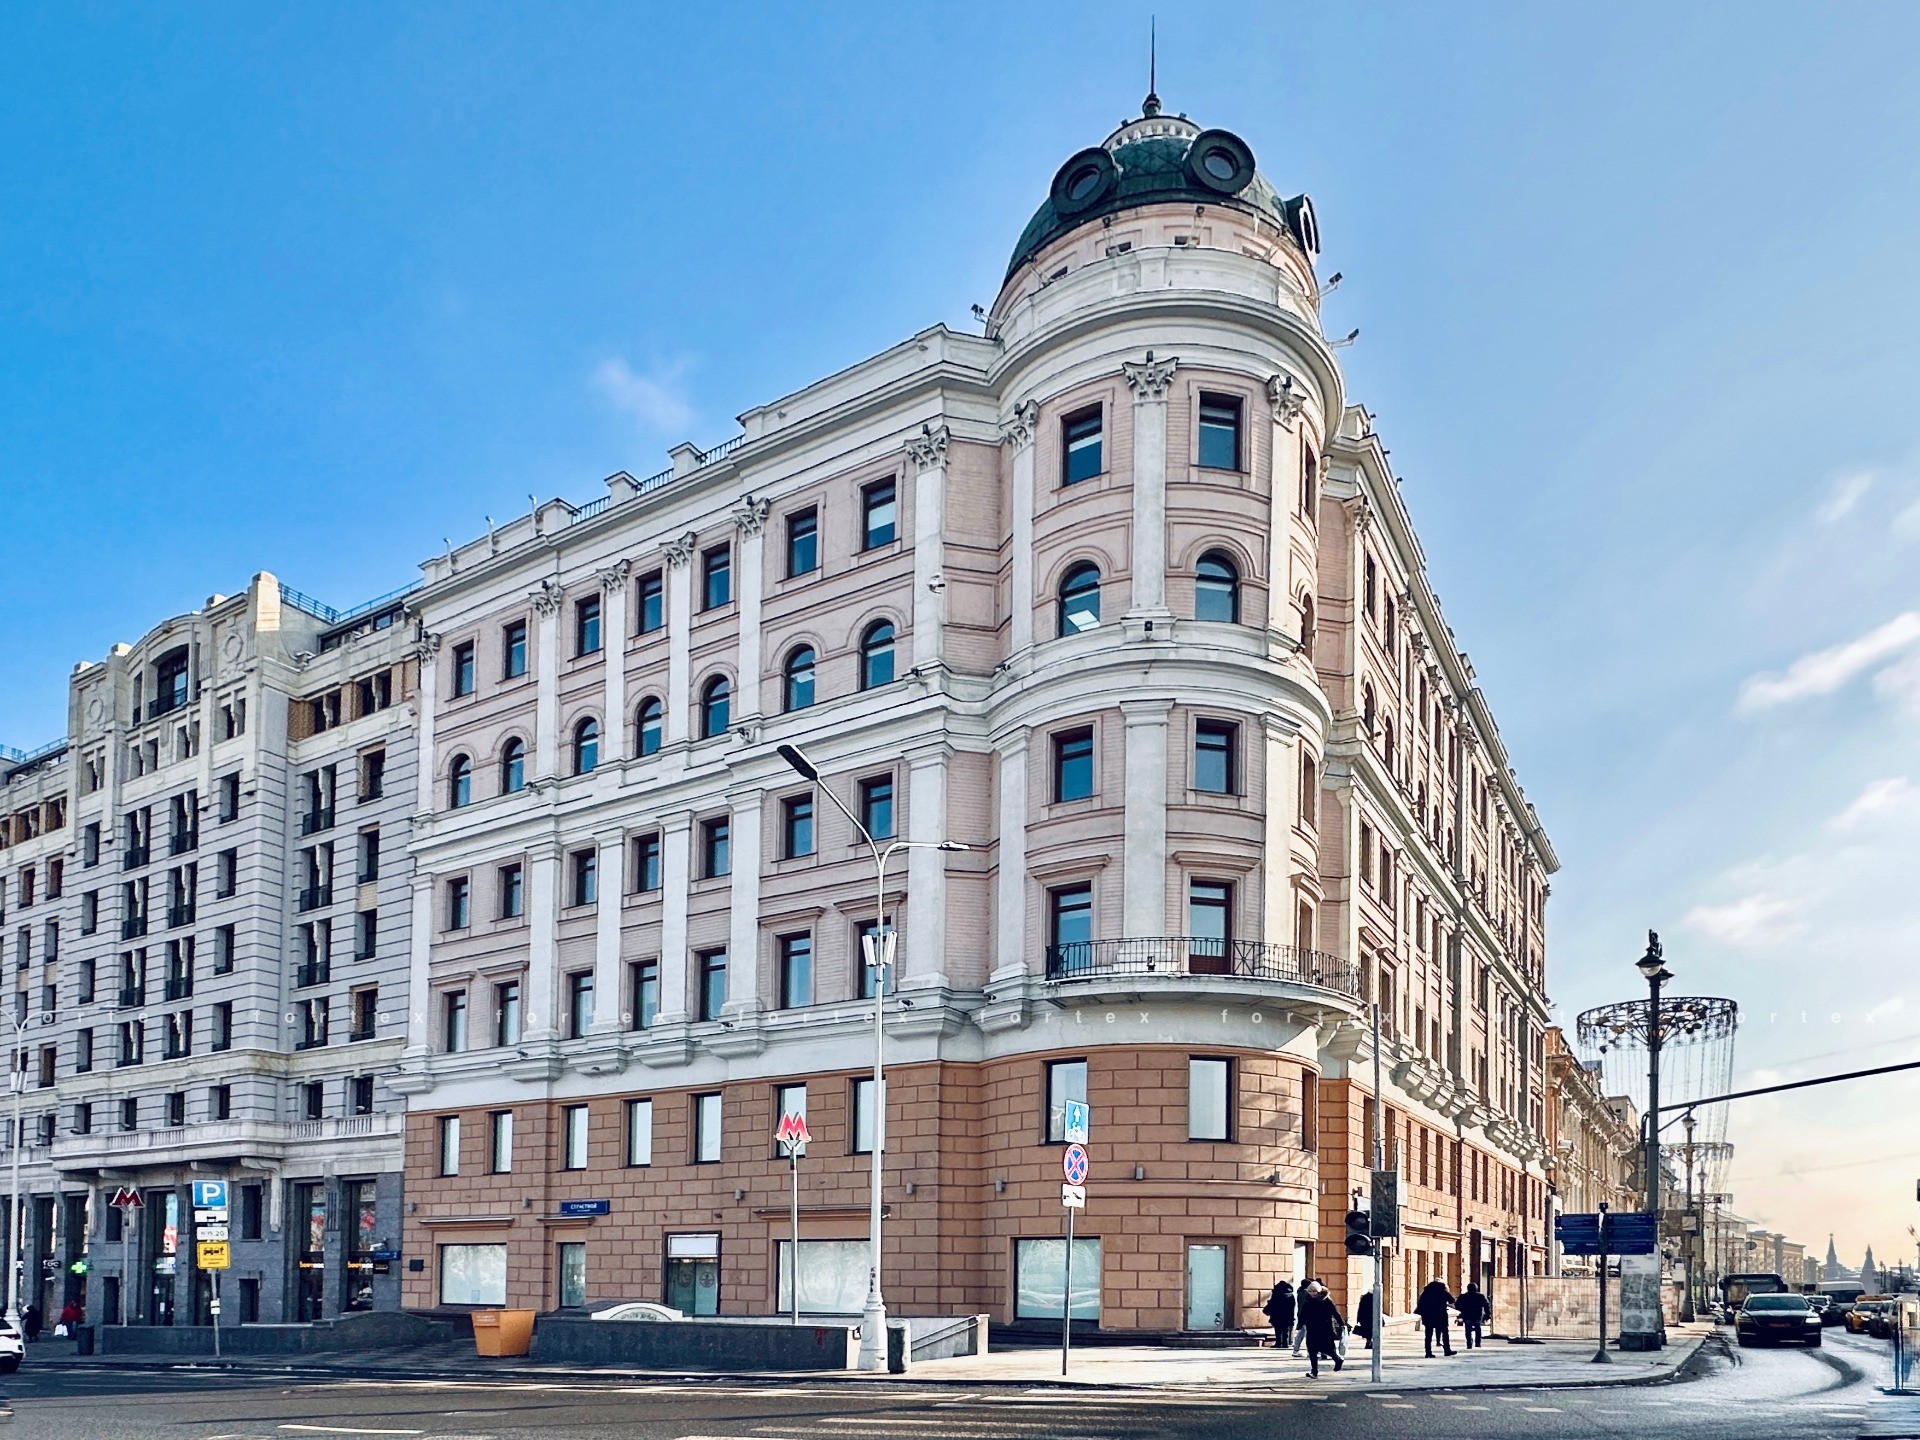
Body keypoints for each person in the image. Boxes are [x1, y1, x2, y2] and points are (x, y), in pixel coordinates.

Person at [1297, 1279, 1346, 1377]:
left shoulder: (1326, 1300)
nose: (1312, 1293)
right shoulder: (1308, 1300)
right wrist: (1300, 1324)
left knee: (1327, 1349)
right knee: (1312, 1350)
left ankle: (1337, 1359)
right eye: (1310, 1291)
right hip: (1311, 1328)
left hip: (1324, 1329)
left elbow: (1335, 1313)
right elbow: (1303, 1314)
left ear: (1319, 1291)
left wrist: (1342, 1324)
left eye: (1314, 1291)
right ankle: (1314, 1372)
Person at [1416, 1278, 1456, 1357]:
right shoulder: (1442, 1291)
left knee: (1428, 1335)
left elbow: (1420, 1302)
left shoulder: (1426, 1292)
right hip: (1440, 1315)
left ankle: (1428, 1352)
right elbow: (1452, 1300)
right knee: (1445, 1333)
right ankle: (1447, 1350)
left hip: (1428, 1315)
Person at [1261, 1279, 1296, 1349]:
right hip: (1287, 1315)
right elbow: (1293, 1305)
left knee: (1278, 1330)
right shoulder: (1291, 1295)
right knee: (1285, 1330)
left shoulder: (1276, 1294)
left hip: (1277, 1315)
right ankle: (1285, 1343)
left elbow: (1273, 1304)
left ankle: (1278, 1343)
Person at [1456, 1282, 1490, 1349]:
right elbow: (1486, 1305)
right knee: (1478, 1328)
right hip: (1478, 1314)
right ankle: (1478, 1343)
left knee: (1468, 1329)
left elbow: (1457, 1305)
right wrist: (1487, 1314)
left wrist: (1462, 1310)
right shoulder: (1480, 1296)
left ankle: (1469, 1343)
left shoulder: (1463, 1296)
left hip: (1467, 1315)